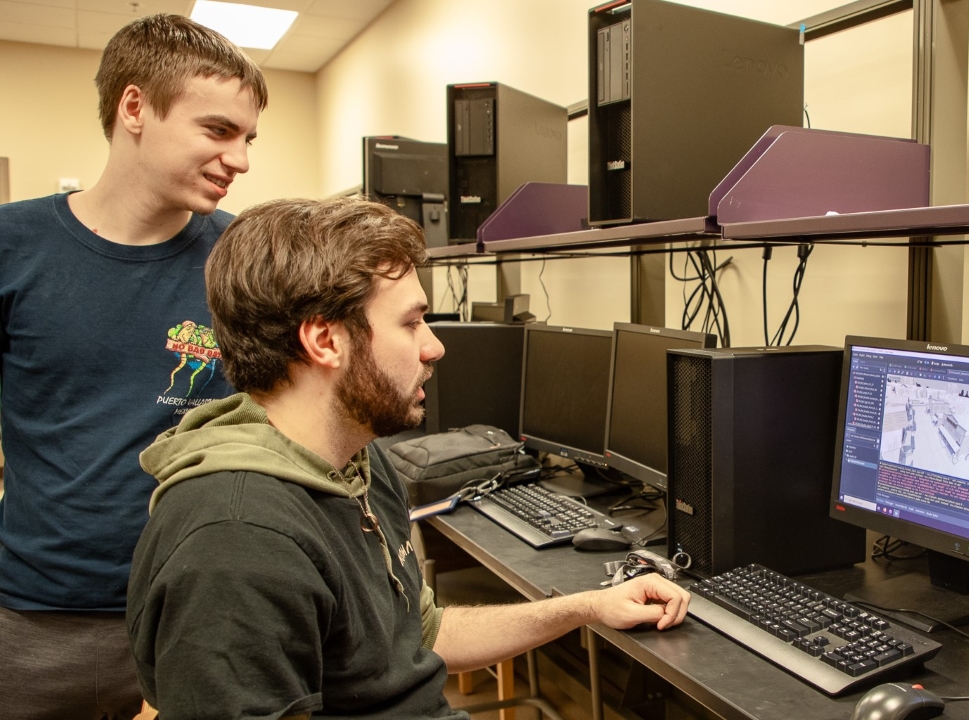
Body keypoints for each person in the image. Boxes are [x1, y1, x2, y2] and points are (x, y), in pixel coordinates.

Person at [126, 196, 691, 717]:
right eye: (410, 321)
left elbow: (418, 633)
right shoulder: (238, 541)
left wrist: (587, 606)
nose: (435, 346)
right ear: (325, 341)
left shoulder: (357, 465)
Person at [0, 14, 266, 718]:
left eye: (248, 139)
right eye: (218, 131)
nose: (239, 160)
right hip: (31, 617)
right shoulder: (12, 245)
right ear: (136, 108)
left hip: (193, 611)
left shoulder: (243, 260)